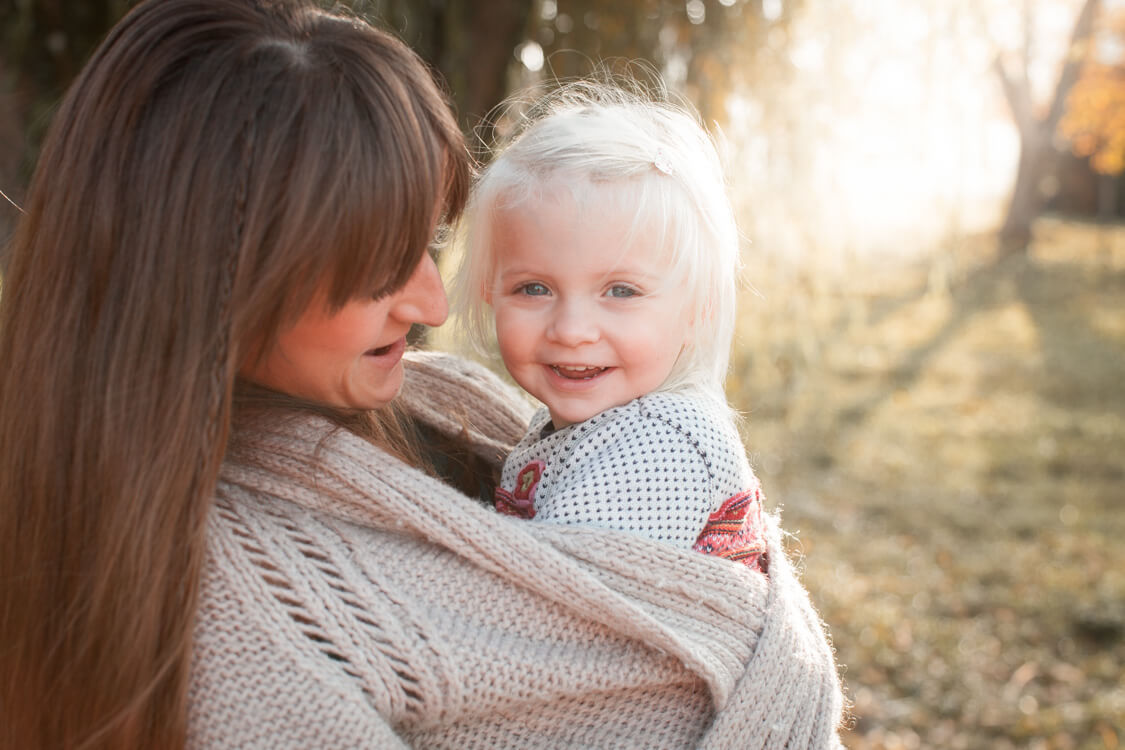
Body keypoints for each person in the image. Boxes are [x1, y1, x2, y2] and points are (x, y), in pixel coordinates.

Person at [0, 0, 845, 747]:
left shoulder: (450, 402)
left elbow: (703, 597)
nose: (436, 303)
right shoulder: (244, 623)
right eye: (377, 264)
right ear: (211, 284)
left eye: (428, 244)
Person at [454, 84, 767, 571]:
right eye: (534, 288)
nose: (573, 330)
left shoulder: (656, 450)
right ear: (489, 291)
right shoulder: (588, 419)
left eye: (621, 291)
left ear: (698, 307)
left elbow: (554, 609)